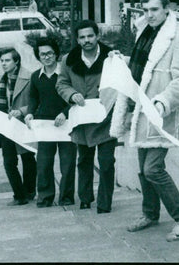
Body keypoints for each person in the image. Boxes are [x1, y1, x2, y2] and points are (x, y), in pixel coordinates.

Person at [109, 0, 179, 242]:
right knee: (142, 167)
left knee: (152, 169)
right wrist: (122, 60)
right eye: (146, 10)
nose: (149, 15)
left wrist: (162, 103)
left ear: (168, 9)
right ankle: (150, 213)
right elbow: (144, 68)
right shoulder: (145, 32)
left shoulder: (177, 37)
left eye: (154, 10)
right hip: (141, 111)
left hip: (160, 114)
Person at [57, 20, 117, 214]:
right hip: (82, 118)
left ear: (97, 36)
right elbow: (61, 83)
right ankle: (85, 198)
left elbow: (122, 82)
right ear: (77, 39)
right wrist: (71, 94)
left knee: (107, 162)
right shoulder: (69, 59)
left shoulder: (111, 58)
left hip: (106, 117)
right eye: (82, 37)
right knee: (84, 160)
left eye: (90, 36)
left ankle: (104, 202)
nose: (87, 40)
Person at [24, 37, 75, 208]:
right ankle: (45, 198)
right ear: (38, 57)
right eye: (42, 54)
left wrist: (65, 113)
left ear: (56, 54)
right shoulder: (35, 77)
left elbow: (75, 97)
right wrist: (30, 113)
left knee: (67, 163)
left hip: (66, 125)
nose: (47, 57)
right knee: (44, 163)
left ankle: (66, 197)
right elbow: (33, 97)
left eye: (50, 53)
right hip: (45, 126)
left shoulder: (66, 74)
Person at [0, 48, 37, 206]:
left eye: (7, 60)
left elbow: (37, 102)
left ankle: (30, 191)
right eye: (2, 61)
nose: (3, 64)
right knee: (9, 162)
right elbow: (5, 102)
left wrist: (21, 111)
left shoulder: (30, 77)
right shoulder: (3, 79)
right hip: (5, 125)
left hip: (22, 125)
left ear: (17, 61)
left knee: (28, 159)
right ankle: (19, 195)